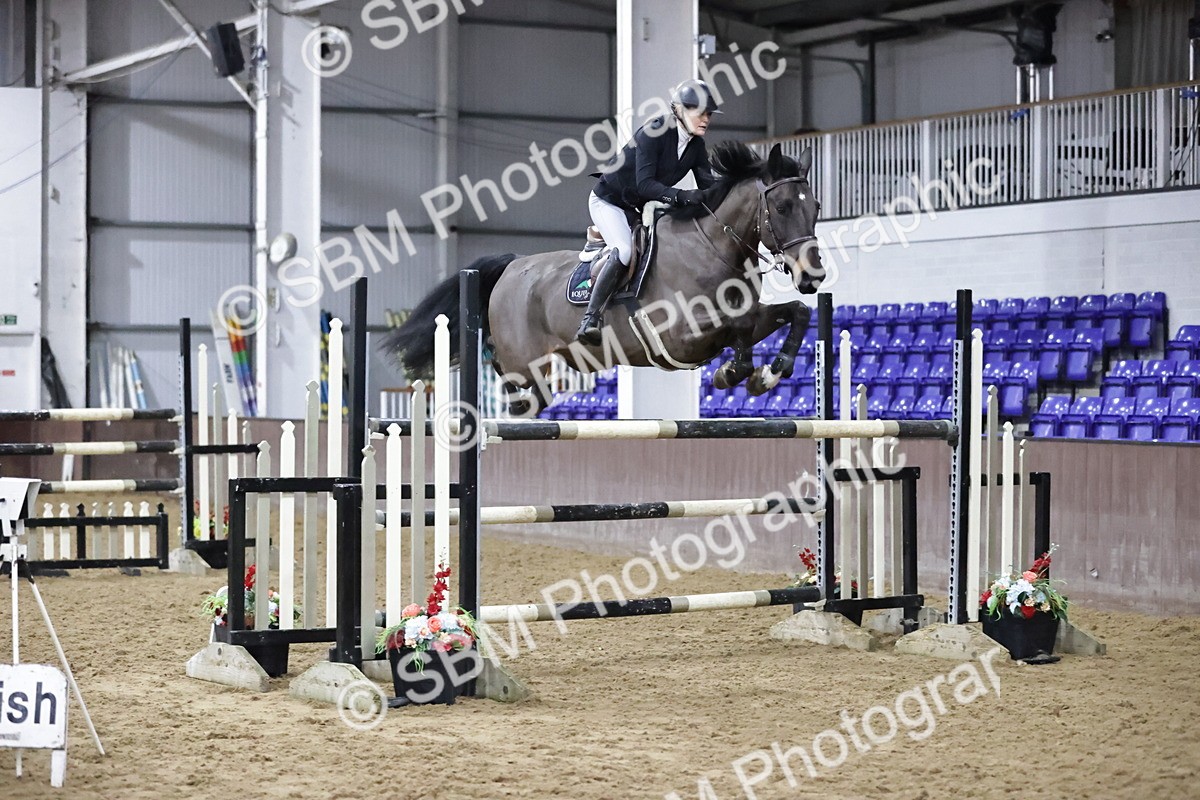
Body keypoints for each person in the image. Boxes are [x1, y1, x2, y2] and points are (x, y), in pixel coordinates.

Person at [574, 80, 721, 345]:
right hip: (610, 201)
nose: (706, 119)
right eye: (701, 112)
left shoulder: (696, 145)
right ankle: (590, 319)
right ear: (680, 110)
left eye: (709, 114)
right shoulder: (655, 131)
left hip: (640, 208)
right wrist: (682, 196)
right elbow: (644, 184)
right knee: (625, 250)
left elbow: (708, 187)